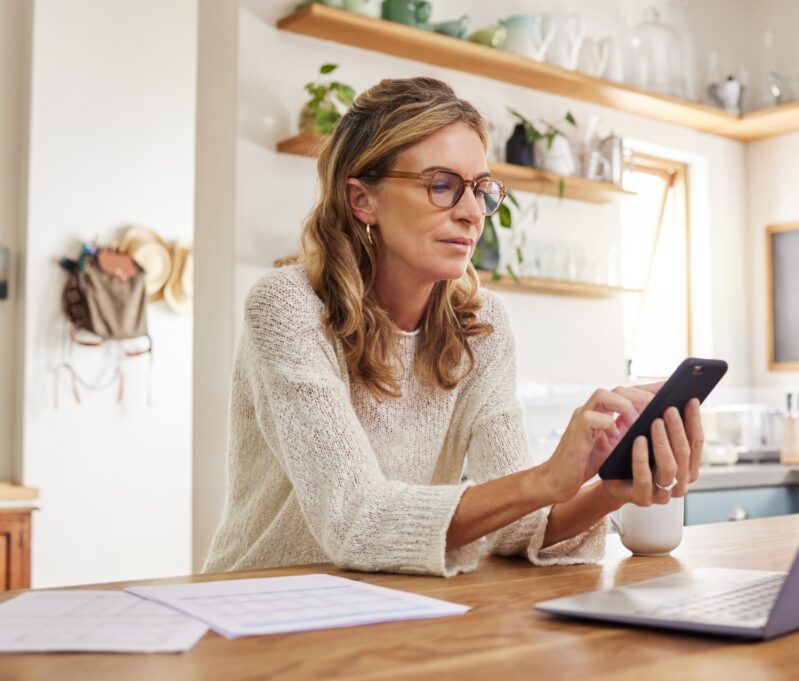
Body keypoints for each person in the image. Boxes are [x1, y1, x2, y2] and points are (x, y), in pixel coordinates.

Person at [203, 77, 704, 577]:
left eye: (481, 189)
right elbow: (358, 522)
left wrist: (607, 489)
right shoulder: (288, 307)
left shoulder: (480, 325)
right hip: (256, 606)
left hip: (385, 609)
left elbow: (514, 527)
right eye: (441, 186)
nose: (471, 213)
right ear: (362, 200)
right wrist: (549, 478)